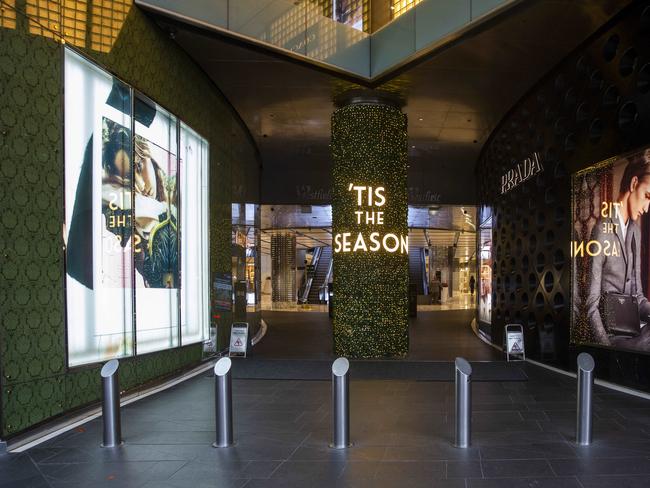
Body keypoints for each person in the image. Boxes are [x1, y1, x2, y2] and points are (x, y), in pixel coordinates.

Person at [586, 155, 650, 350]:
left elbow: (638, 296)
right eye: (647, 196)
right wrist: (608, 350)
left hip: (633, 329)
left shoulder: (635, 232)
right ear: (634, 183)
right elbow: (591, 306)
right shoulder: (602, 230)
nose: (647, 208)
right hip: (613, 336)